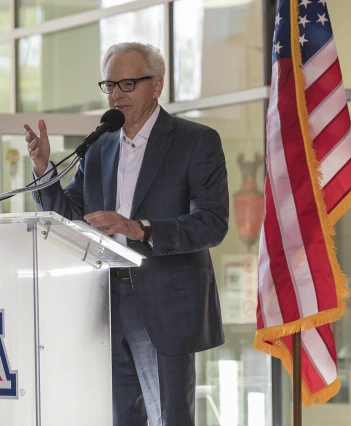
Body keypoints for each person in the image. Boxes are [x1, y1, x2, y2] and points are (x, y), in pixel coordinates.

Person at [24, 42, 229, 426]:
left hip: (164, 301)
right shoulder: (101, 145)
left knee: (169, 417)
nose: (117, 94)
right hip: (105, 300)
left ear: (157, 86)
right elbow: (72, 214)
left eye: (128, 83)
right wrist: (43, 171)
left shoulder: (195, 141)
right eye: (110, 85)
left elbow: (212, 223)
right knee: (119, 417)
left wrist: (141, 229)